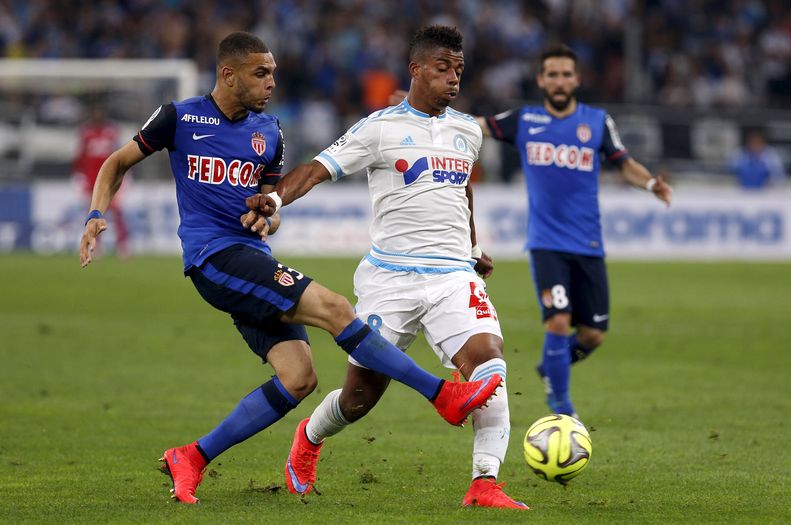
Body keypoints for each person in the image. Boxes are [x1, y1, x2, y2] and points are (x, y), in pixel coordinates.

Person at [78, 31, 501, 505]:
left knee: (299, 378)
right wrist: (96, 214)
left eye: (274, 73)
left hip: (252, 259)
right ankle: (441, 394)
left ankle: (191, 457)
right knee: (336, 307)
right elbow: (116, 162)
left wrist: (267, 214)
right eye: (261, 73)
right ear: (228, 74)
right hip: (213, 257)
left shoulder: (269, 134)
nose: (271, 82)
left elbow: (270, 213)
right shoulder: (180, 117)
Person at [244, 25, 527, 510]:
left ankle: (484, 484)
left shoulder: (467, 131)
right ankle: (309, 438)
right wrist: (273, 198)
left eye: (459, 70)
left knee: (488, 366)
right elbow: (317, 169)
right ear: (416, 70)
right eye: (443, 69)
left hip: (453, 277)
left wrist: (473, 246)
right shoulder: (379, 128)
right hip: (389, 280)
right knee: (359, 398)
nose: (454, 79)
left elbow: (463, 190)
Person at [476, 44, 673, 416]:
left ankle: (552, 365)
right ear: (541, 79)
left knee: (592, 335)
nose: (560, 80)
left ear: (577, 79)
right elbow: (477, 125)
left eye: (566, 74)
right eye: (552, 74)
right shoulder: (525, 120)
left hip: (589, 243)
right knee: (559, 320)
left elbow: (623, 163)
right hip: (546, 243)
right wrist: (427, 110)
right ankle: (562, 409)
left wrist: (650, 184)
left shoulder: (596, 122)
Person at [72, 102, 130, 258]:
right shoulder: (85, 133)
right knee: (95, 214)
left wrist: (125, 175)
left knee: (117, 213)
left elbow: (121, 155)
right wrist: (79, 176)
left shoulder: (112, 132)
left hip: (111, 180)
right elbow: (80, 157)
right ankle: (96, 246)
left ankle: (123, 246)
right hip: (91, 180)